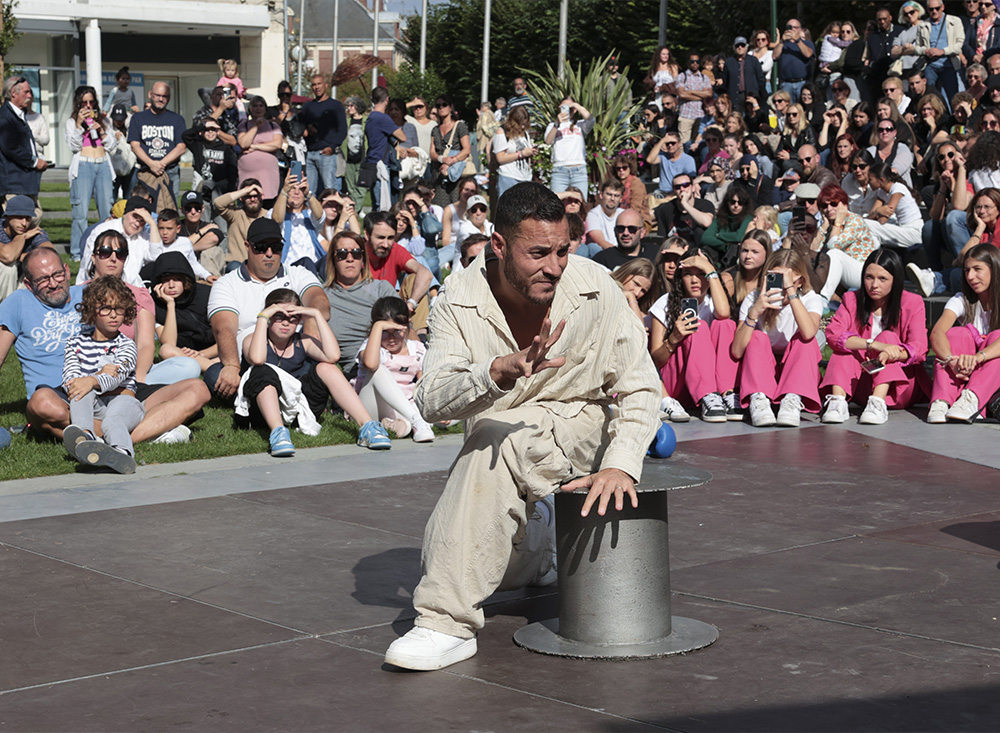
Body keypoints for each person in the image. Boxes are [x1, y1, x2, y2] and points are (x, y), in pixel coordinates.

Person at [382, 182, 660, 671]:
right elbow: (429, 401)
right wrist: (494, 371)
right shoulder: (459, 298)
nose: (553, 266)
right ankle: (538, 549)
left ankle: (444, 624)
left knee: (495, 438)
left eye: (561, 250)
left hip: (580, 426)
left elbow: (641, 386)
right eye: (537, 253)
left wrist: (622, 465)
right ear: (498, 245)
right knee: (464, 554)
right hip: (500, 447)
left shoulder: (596, 285)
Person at [0, 247, 209, 446]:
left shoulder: (90, 293)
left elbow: (131, 308)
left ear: (66, 270)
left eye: (57, 274)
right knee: (40, 404)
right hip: (65, 395)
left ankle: (103, 440)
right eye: (43, 279)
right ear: (28, 284)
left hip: (118, 387)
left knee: (198, 389)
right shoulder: (18, 302)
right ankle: (147, 432)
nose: (54, 283)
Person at [237, 287, 390, 454]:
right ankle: (278, 433)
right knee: (263, 370)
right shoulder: (252, 339)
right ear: (268, 316)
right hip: (262, 412)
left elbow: (333, 356)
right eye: (279, 316)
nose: (286, 323)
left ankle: (367, 427)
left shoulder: (302, 341)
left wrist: (316, 315)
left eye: (293, 318)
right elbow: (258, 358)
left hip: (299, 410)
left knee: (326, 367)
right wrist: (263, 317)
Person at [821, 248, 930, 425]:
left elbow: (919, 348)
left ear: (895, 280)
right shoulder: (851, 299)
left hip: (898, 386)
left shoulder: (912, 302)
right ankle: (837, 403)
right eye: (869, 277)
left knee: (887, 337)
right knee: (844, 348)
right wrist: (873, 345)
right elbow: (834, 334)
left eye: (882, 279)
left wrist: (890, 352)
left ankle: (877, 403)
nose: (874, 285)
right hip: (860, 382)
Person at [731, 248, 823, 427]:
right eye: (775, 277)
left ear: (800, 280)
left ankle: (792, 399)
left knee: (804, 340)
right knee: (757, 337)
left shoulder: (810, 298)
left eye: (785, 279)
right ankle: (759, 399)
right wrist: (754, 312)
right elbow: (736, 351)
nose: (780, 284)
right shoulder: (754, 299)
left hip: (795, 370)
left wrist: (791, 292)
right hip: (762, 370)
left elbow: (809, 332)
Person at [61, 276, 144, 474]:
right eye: (105, 308)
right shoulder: (75, 343)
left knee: (112, 422)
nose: (113, 315)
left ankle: (122, 453)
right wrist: (97, 376)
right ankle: (85, 438)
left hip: (124, 402)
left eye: (119, 308)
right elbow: (70, 380)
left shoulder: (126, 345)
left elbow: (118, 373)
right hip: (96, 404)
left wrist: (92, 379)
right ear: (92, 310)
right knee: (81, 391)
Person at [649, 247, 733, 422]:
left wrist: (710, 269)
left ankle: (726, 394)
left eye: (701, 273)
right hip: (676, 385)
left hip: (712, 387)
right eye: (688, 274)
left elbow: (724, 313)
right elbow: (654, 360)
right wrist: (674, 338)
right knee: (699, 326)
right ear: (680, 278)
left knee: (725, 324)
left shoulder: (714, 303)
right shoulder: (664, 303)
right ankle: (708, 395)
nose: (695, 280)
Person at [927, 243, 1000, 422]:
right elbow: (937, 333)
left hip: (992, 379)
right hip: (963, 373)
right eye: (967, 270)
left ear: (995, 269)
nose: (970, 276)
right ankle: (942, 400)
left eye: (977, 269)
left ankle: (972, 399)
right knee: (955, 334)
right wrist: (951, 360)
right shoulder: (962, 299)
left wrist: (978, 357)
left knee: (996, 337)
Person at [354, 296, 435, 443]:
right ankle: (417, 420)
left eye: (397, 331)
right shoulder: (373, 347)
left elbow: (424, 382)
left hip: (404, 406)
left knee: (411, 424)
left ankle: (396, 425)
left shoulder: (416, 349)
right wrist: (378, 327)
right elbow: (371, 364)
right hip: (371, 406)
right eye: (386, 331)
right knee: (378, 370)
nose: (391, 338)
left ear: (407, 326)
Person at [323, 231, 398, 378]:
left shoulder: (381, 288)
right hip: (354, 373)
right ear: (333, 259)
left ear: (362, 258)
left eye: (356, 253)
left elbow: (404, 329)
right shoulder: (322, 296)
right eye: (342, 254)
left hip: (390, 363)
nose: (350, 259)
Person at [66, 86, 116, 264]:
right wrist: (80, 126)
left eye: (91, 102)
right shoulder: (72, 122)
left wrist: (101, 130)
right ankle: (77, 253)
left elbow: (112, 146)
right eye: (84, 102)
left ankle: (107, 248)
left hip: (102, 165)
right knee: (80, 213)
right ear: (78, 103)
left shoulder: (104, 121)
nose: (88, 106)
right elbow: (73, 146)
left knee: (106, 210)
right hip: (83, 164)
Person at [150, 252, 217, 374]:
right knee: (165, 351)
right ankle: (213, 368)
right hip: (183, 354)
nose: (171, 285)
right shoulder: (155, 304)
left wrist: (202, 354)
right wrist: (170, 305)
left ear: (185, 280)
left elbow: (227, 336)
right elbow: (169, 343)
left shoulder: (208, 295)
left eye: (177, 280)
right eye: (166, 280)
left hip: (216, 350)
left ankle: (210, 367)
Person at [817, 184, 880, 306]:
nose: (829, 209)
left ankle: (823, 299)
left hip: (864, 272)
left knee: (833, 254)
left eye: (834, 204)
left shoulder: (855, 220)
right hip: (848, 272)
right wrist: (823, 227)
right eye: (825, 206)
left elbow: (833, 246)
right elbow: (814, 250)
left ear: (844, 204)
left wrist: (838, 223)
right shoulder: (829, 224)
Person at [127, 82, 187, 211]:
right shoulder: (138, 118)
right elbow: (134, 145)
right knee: (144, 208)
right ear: (150, 94)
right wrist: (151, 164)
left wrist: (160, 164)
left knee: (169, 211)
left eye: (164, 96)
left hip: (170, 171)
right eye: (157, 95)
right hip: (146, 171)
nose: (161, 99)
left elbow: (181, 146)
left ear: (169, 98)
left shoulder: (177, 119)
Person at [77, 196, 157, 287]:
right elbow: (88, 266)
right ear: (125, 213)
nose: (137, 223)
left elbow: (155, 256)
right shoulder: (102, 230)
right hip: (97, 286)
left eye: (143, 220)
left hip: (130, 289)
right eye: (134, 217)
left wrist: (153, 224)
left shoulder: (144, 236)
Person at [0, 75, 46, 203]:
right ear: (13, 93)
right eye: (26, 92)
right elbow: (11, 147)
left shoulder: (20, 115)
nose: (30, 96)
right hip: (14, 185)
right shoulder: (5, 117)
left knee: (33, 217)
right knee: (22, 220)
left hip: (24, 183)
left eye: (30, 92)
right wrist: (35, 162)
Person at [299, 74, 347, 195]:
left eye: (319, 84)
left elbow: (343, 130)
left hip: (326, 154)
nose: (317, 87)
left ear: (325, 85)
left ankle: (334, 213)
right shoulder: (307, 106)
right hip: (310, 153)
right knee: (309, 191)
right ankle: (311, 214)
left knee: (329, 188)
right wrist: (307, 130)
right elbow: (299, 126)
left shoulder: (335, 106)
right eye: (314, 85)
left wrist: (332, 147)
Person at [0, 195, 53, 302]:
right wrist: (22, 237)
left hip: (21, 285)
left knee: (38, 268)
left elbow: (50, 255)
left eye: (28, 218)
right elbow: (8, 257)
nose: (24, 223)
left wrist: (22, 257)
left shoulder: (34, 230)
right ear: (7, 217)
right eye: (19, 217)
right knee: (8, 267)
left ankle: (17, 308)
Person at [271, 172, 325, 272]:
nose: (296, 192)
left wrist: (308, 194)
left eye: (300, 189)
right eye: (292, 188)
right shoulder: (274, 212)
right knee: (306, 261)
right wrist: (284, 191)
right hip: (289, 268)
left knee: (328, 260)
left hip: (313, 267)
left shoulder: (309, 214)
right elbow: (277, 219)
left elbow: (320, 216)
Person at [864, 161, 923, 248]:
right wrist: (878, 212)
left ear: (881, 180)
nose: (868, 182)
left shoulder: (898, 189)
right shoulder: (881, 192)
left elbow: (882, 220)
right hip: (902, 228)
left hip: (914, 232)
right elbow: (871, 215)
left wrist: (877, 213)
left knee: (866, 223)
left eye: (870, 180)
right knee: (870, 228)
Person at [236, 96, 283, 203]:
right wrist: (256, 126)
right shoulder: (245, 125)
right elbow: (244, 143)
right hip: (248, 174)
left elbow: (277, 144)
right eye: (255, 106)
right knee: (248, 201)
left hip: (268, 174)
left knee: (268, 202)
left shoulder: (273, 125)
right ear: (250, 109)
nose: (258, 108)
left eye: (261, 106)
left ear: (265, 109)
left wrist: (255, 147)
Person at [215, 179, 269, 270]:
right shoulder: (235, 214)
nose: (252, 199)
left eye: (256, 196)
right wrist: (244, 191)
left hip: (261, 266)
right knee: (234, 267)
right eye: (248, 196)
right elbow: (218, 203)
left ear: (262, 197)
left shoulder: (269, 215)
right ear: (241, 198)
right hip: (237, 266)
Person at [543, 98, 594, 193]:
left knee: (581, 203)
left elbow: (591, 119)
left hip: (579, 171)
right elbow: (548, 141)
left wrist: (576, 106)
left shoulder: (579, 125)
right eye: (564, 107)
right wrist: (557, 123)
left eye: (569, 108)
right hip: (559, 171)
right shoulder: (552, 125)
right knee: (557, 204)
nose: (567, 110)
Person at [429, 96, 472, 208]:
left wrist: (450, 161)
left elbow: (466, 149)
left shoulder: (459, 126)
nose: (441, 107)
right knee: (439, 208)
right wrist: (442, 159)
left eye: (444, 105)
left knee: (457, 208)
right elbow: (432, 153)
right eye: (438, 106)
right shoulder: (435, 129)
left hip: (455, 174)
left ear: (451, 107)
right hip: (438, 175)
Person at [653, 172, 716, 247]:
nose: (682, 189)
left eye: (685, 185)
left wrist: (685, 204)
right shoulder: (666, 208)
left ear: (693, 188)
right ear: (674, 190)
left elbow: (707, 222)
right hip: (676, 251)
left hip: (699, 252)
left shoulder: (705, 204)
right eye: (677, 187)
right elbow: (664, 239)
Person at [700, 184, 754, 267]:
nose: (736, 205)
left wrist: (718, 235)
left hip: (734, 256)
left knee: (734, 248)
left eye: (740, 203)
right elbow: (705, 237)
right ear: (727, 203)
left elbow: (738, 236)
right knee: (706, 249)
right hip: (719, 251)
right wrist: (724, 245)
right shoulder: (721, 217)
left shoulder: (747, 218)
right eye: (733, 202)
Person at [593, 209, 659, 270]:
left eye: (632, 229)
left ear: (642, 232)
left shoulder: (656, 254)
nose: (625, 233)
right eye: (620, 228)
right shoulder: (603, 260)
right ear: (615, 231)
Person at [493, 106, 536, 197]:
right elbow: (500, 158)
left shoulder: (525, 133)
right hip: (509, 178)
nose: (523, 126)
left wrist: (531, 152)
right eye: (520, 124)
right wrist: (521, 154)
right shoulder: (502, 132)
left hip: (525, 178)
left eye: (525, 123)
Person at [773, 18, 816, 103]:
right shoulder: (783, 45)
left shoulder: (807, 43)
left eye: (794, 27)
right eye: (789, 27)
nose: (791, 30)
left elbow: (808, 54)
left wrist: (797, 40)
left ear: (800, 29)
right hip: (786, 83)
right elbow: (774, 56)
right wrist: (781, 42)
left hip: (802, 82)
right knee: (788, 109)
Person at [676, 52, 714, 145]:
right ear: (688, 63)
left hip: (700, 115)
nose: (695, 63)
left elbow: (709, 94)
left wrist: (690, 91)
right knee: (683, 144)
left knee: (698, 143)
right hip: (685, 115)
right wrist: (701, 95)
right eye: (692, 61)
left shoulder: (704, 78)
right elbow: (681, 94)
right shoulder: (682, 76)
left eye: (697, 61)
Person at [646, 130, 697, 196]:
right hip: (661, 191)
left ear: (679, 143)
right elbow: (650, 160)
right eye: (667, 143)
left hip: (678, 193)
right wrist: (662, 141)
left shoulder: (688, 160)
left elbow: (689, 182)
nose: (670, 145)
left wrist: (670, 196)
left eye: (673, 143)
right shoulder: (663, 156)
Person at [722, 36, 767, 109]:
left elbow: (761, 79)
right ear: (734, 47)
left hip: (751, 96)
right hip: (735, 96)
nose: (740, 47)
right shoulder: (728, 62)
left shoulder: (753, 61)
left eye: (742, 45)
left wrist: (757, 95)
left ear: (746, 47)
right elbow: (725, 82)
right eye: (737, 46)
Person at [584, 179, 625, 250]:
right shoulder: (593, 215)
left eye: (616, 196)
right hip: (603, 252)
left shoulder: (624, 214)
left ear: (621, 199)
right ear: (601, 195)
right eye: (609, 194)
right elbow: (600, 241)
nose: (612, 198)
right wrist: (618, 254)